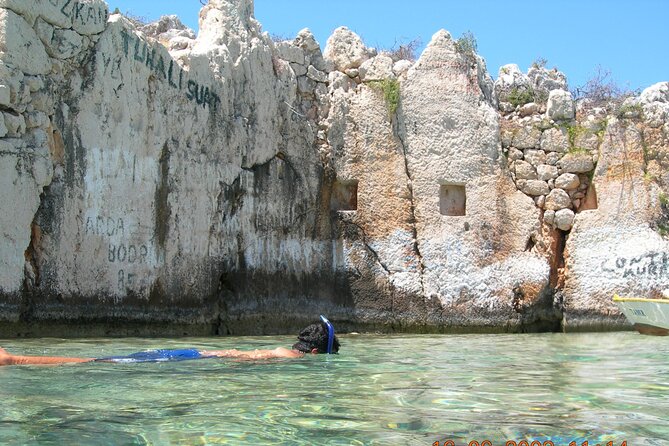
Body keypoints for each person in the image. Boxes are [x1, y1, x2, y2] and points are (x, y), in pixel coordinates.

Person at [0, 316, 339, 366]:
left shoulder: (284, 351)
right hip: (194, 358)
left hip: (194, 354)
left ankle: (13, 358)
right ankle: (13, 359)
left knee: (106, 362)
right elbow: (241, 358)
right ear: (313, 352)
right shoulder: (292, 359)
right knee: (100, 364)